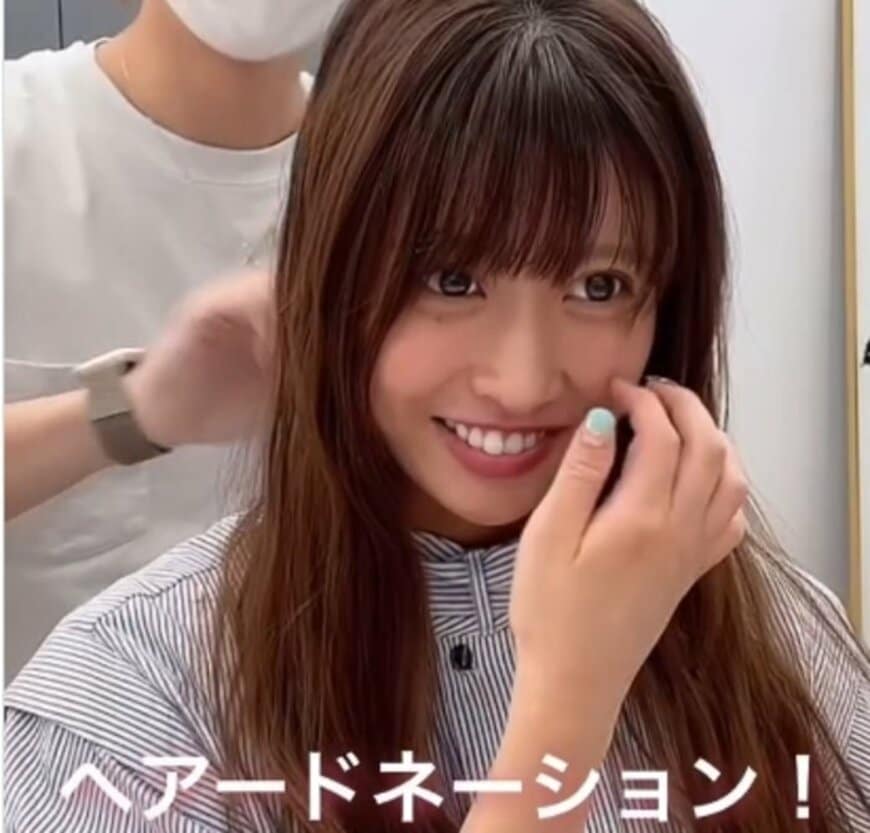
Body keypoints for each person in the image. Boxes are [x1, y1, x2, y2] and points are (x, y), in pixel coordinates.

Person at [5, 1, 870, 831]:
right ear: (330, 271)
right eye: (453, 281)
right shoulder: (127, 702)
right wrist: (564, 717)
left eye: (599, 286)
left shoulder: (787, 639)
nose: (522, 383)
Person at [4, 0, 341, 680]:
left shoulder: (391, 169)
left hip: (316, 729)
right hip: (58, 733)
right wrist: (127, 414)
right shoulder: (21, 138)